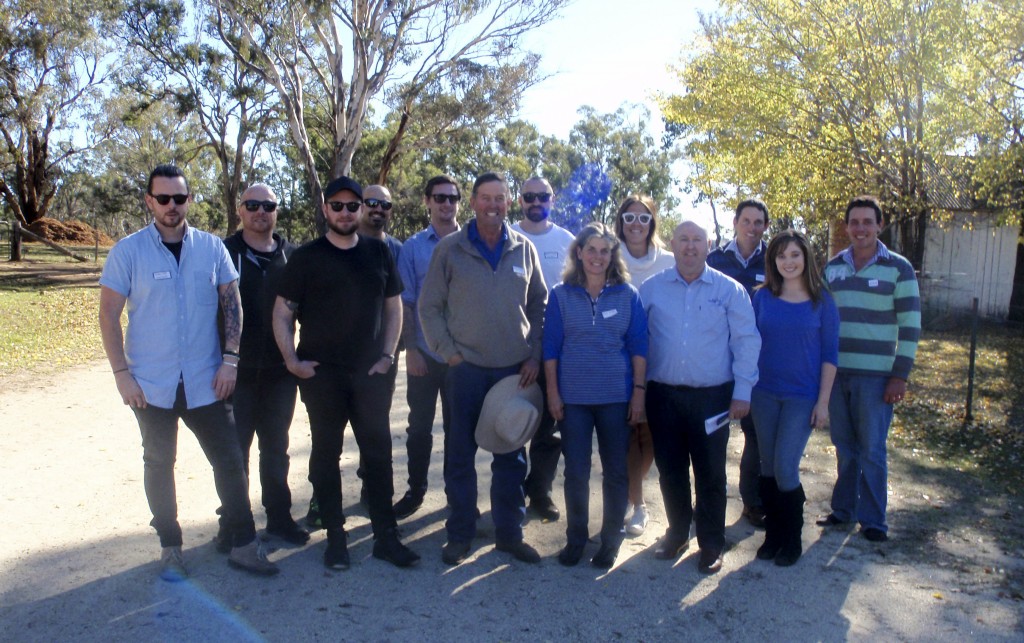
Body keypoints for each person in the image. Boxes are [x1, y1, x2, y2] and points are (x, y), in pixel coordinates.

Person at [98, 164, 278, 581]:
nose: (172, 206)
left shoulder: (211, 249)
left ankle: (244, 545)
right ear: (149, 201)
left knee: (230, 462)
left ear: (189, 200)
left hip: (206, 381)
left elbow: (233, 305)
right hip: (150, 385)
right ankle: (170, 547)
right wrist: (121, 374)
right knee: (159, 463)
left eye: (179, 198)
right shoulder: (128, 251)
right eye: (163, 199)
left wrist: (231, 359)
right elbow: (109, 316)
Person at [272, 175, 419, 570]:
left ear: (361, 210)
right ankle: (336, 538)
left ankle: (386, 536)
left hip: (371, 372)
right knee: (325, 454)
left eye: (352, 206)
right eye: (336, 206)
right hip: (323, 376)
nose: (344, 212)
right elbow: (283, 312)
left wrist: (388, 354)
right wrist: (292, 361)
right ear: (325, 209)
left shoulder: (379, 253)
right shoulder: (305, 257)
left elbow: (394, 307)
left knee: (379, 455)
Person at [419, 171, 547, 566]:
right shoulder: (450, 250)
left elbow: (541, 307)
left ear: (508, 203)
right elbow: (429, 307)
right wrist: (449, 354)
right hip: (466, 371)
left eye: (501, 198)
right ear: (473, 202)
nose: (494, 205)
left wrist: (534, 355)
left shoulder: (524, 249)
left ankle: (510, 534)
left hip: (513, 372)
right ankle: (460, 534)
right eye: (486, 198)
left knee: (511, 457)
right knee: (460, 456)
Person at [640, 220, 760, 574]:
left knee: (710, 473)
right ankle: (677, 533)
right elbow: (635, 341)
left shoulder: (730, 291)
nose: (690, 247)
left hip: (713, 399)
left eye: (697, 240)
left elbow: (746, 342)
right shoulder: (651, 289)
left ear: (709, 245)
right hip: (662, 396)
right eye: (683, 240)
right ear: (672, 245)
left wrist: (742, 392)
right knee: (670, 470)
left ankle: (710, 544)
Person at [543, 223, 648, 569]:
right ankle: (576, 539)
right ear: (579, 253)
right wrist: (554, 395)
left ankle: (610, 541)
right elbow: (551, 350)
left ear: (612, 256)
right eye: (591, 249)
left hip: (615, 398)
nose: (598, 257)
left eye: (605, 251)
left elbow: (638, 348)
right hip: (573, 399)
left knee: (616, 471)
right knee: (576, 471)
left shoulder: (627, 294)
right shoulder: (560, 294)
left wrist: (638, 394)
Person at [817, 196, 921, 543]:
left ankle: (874, 521)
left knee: (872, 450)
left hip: (878, 377)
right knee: (844, 446)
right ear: (846, 227)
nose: (860, 228)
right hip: (837, 373)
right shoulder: (833, 268)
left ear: (879, 226)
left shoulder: (898, 268)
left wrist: (899, 375)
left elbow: (910, 327)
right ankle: (843, 512)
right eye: (854, 222)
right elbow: (821, 320)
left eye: (867, 222)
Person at [220, 183, 307, 547]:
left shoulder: (292, 257)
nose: (260, 211)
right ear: (240, 210)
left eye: (268, 205)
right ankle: (234, 525)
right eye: (252, 204)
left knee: (276, 449)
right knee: (233, 452)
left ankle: (279, 518)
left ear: (276, 211)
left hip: (279, 374)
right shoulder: (223, 252)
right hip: (234, 373)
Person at [750, 230, 838, 566]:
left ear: (806, 258)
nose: (788, 262)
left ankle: (792, 538)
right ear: (773, 261)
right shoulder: (761, 298)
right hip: (764, 394)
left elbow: (830, 355)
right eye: (781, 256)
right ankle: (772, 537)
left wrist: (823, 402)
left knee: (786, 467)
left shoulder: (823, 301)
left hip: (802, 396)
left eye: (794, 255)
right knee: (768, 467)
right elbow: (747, 345)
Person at [392, 175, 462, 519]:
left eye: (452, 198)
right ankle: (415, 490)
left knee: (457, 429)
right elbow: (405, 302)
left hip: (461, 357)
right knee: (419, 427)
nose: (446, 204)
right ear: (427, 201)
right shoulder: (413, 247)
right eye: (439, 197)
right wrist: (412, 349)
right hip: (424, 354)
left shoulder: (472, 243)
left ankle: (455, 496)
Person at [512, 176, 575, 523]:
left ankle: (541, 491)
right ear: (519, 200)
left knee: (549, 427)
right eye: (529, 196)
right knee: (513, 420)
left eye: (543, 196)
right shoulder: (508, 237)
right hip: (514, 348)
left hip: (557, 350)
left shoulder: (566, 241)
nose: (536, 202)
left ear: (553, 199)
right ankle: (511, 492)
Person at [707, 198, 769, 527]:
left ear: (765, 227)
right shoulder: (714, 259)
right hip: (716, 359)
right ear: (735, 223)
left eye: (758, 222)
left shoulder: (774, 259)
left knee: (754, 435)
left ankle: (752, 501)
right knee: (712, 437)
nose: (752, 227)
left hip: (754, 359)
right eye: (747, 220)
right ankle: (706, 501)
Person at [614, 194, 674, 536]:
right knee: (626, 432)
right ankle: (634, 501)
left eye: (643, 218)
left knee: (648, 434)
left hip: (659, 360)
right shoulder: (608, 257)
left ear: (652, 223)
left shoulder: (668, 262)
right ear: (620, 222)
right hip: (616, 362)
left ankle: (635, 499)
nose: (636, 224)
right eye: (630, 217)